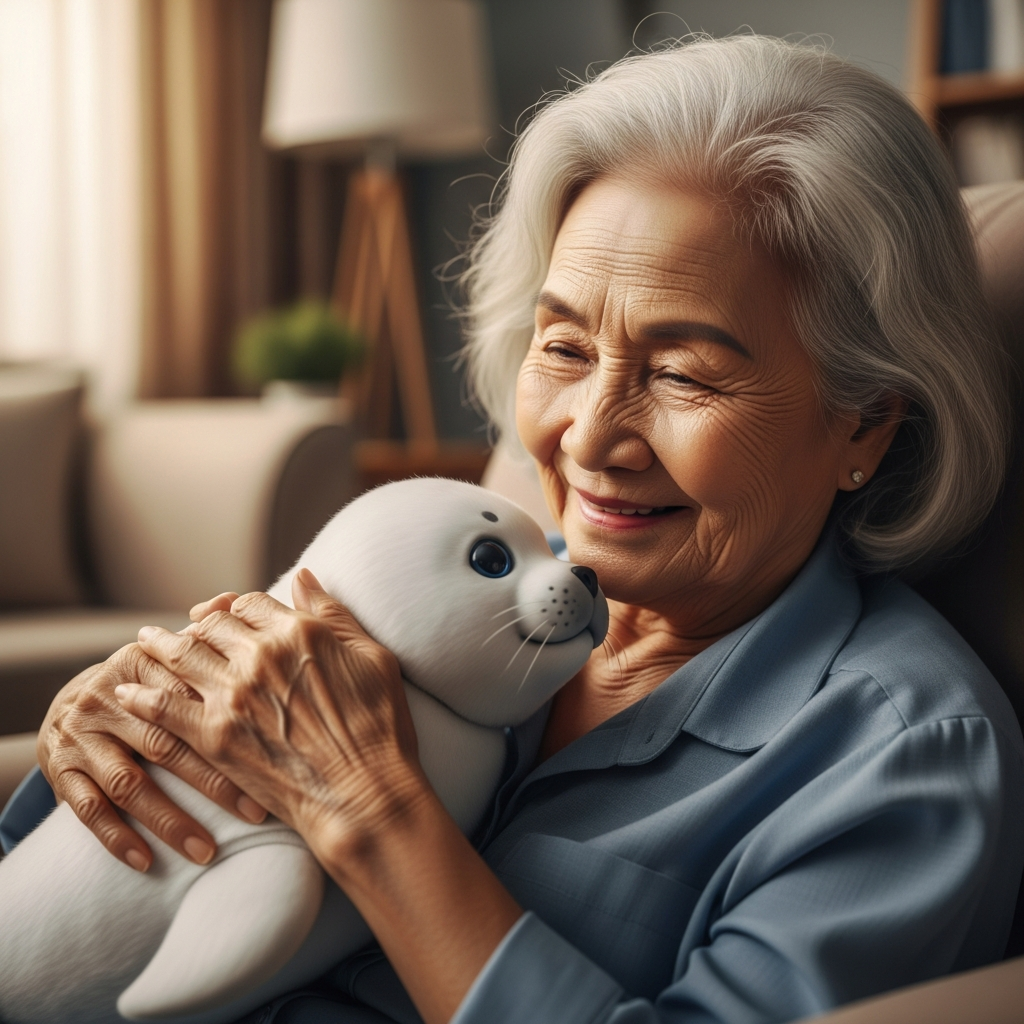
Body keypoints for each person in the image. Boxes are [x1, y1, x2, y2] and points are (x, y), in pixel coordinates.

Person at [5, 35, 1023, 1024]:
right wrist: (100, 749)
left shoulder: (901, 756)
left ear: (865, 423)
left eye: (681, 372)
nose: (589, 437)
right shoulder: (458, 576)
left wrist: (372, 807)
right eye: (565, 346)